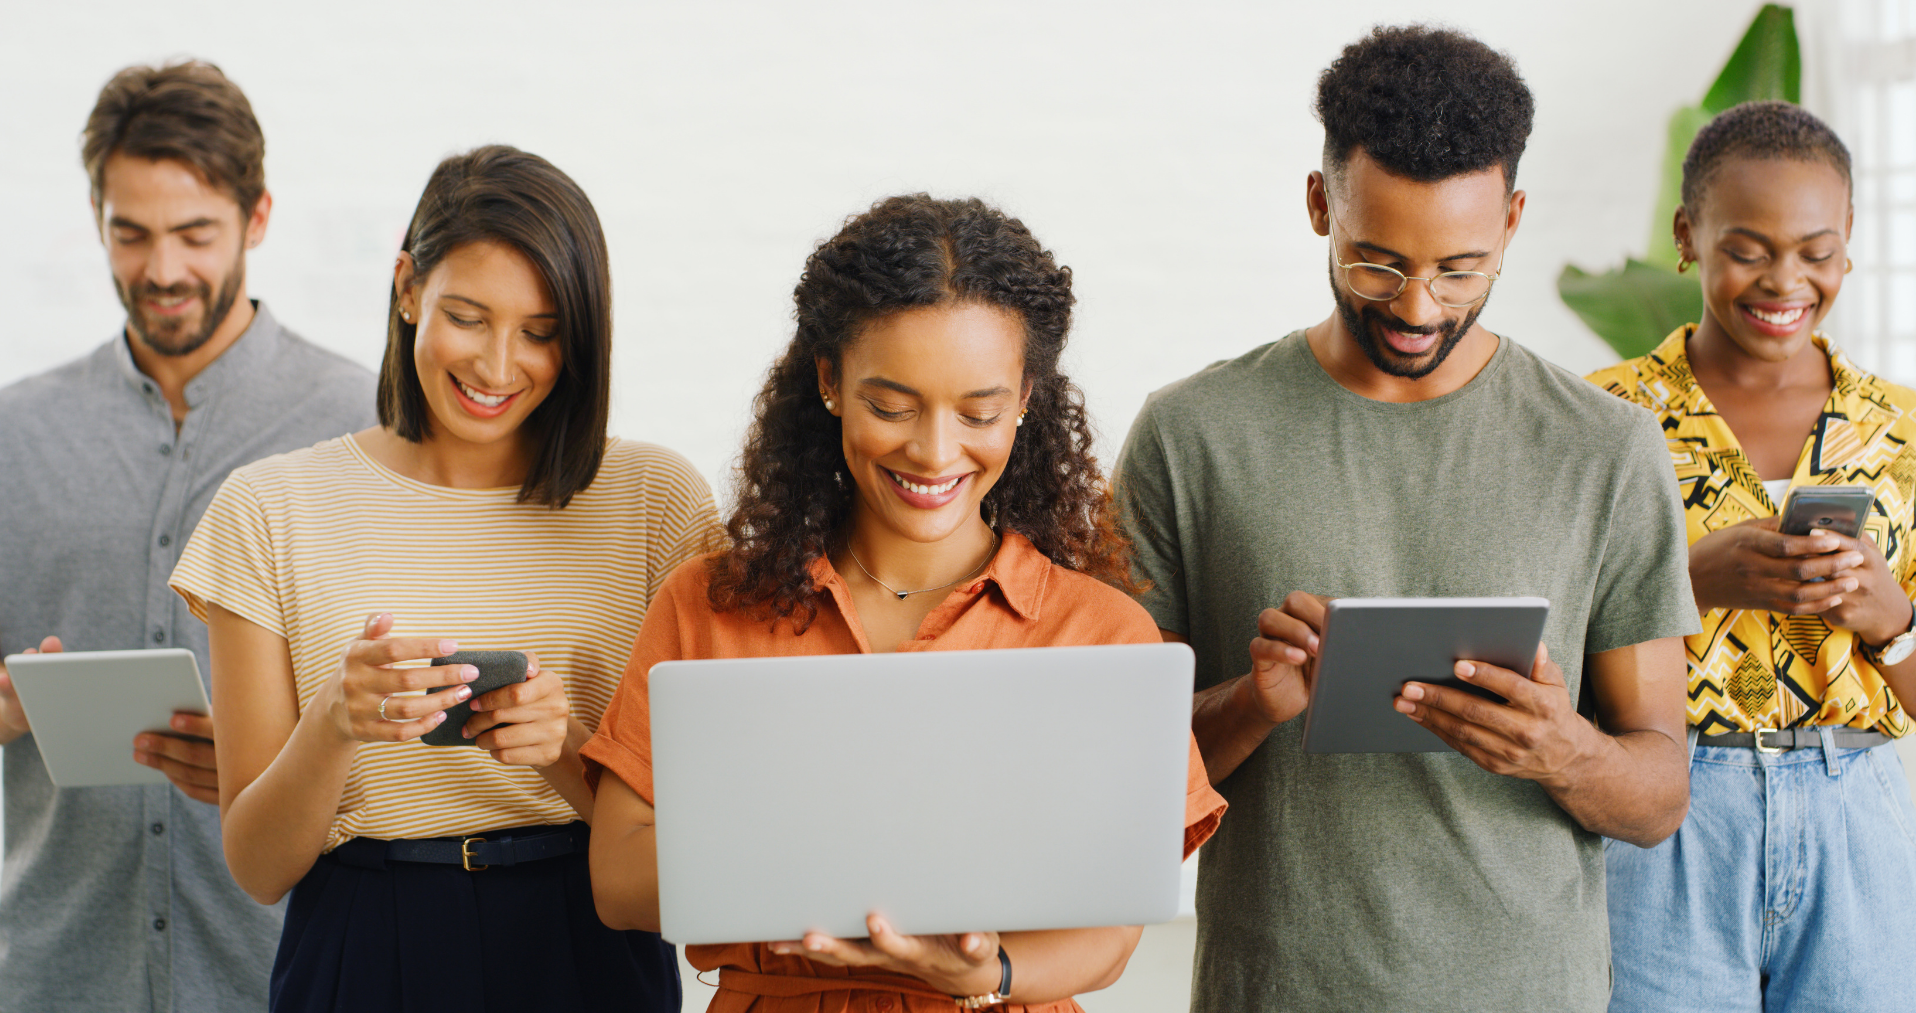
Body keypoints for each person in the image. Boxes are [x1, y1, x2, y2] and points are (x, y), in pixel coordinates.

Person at [1113, 26, 1703, 1013]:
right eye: (1377, 264)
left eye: (1461, 270)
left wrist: (1564, 749)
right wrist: (1254, 702)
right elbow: (1119, 775)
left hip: (1530, 990)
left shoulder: (1608, 448)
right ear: (1319, 206)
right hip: (1278, 990)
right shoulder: (1191, 435)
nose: (1420, 307)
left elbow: (1660, 795)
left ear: (1513, 223)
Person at [585, 194, 1227, 1012]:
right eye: (891, 406)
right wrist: (838, 863)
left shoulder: (1102, 635)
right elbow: (618, 878)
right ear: (830, 382)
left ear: (1027, 395)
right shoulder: (710, 602)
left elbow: (1112, 935)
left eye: (979, 411)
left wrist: (987, 974)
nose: (933, 450)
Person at [167, 144, 721, 1012]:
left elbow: (702, 832)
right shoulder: (269, 508)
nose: (500, 367)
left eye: (541, 332)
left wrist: (564, 745)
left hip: (586, 934)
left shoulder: (655, 501)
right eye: (469, 316)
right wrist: (334, 722)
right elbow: (258, 865)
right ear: (407, 288)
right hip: (360, 935)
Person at [0, 60, 376, 1012]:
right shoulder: (14, 436)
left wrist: (288, 759)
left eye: (195, 233)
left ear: (257, 218)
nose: (163, 270)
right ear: (98, 223)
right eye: (131, 234)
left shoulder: (364, 428)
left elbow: (425, 715)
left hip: (284, 976)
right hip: (56, 979)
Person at [1587, 100, 1916, 1013]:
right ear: (1689, 235)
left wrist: (1890, 619)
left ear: (1849, 245)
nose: (1785, 279)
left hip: (1856, 813)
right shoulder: (1599, 422)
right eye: (1748, 247)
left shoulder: (1902, 431)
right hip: (1666, 812)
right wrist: (1686, 580)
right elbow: (1532, 643)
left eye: (1816, 250)